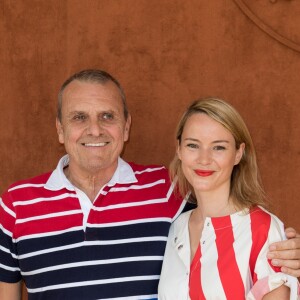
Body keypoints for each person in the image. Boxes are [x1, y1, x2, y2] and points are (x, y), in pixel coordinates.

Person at [0, 70, 299, 300]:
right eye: (79, 117)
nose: (95, 129)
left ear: (126, 126)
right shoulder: (16, 206)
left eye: (108, 116)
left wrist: (286, 252)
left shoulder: (169, 190)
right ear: (60, 129)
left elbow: (234, 226)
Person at [158, 98, 299, 299]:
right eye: (192, 145)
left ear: (238, 154)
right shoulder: (176, 228)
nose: (204, 159)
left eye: (219, 147)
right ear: (179, 149)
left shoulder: (262, 229)